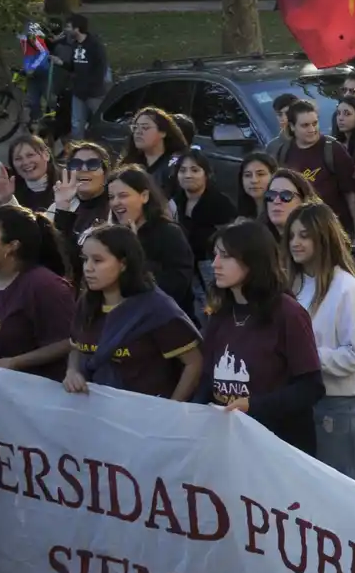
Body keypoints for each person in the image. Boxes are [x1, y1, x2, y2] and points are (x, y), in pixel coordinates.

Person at [198, 219, 325, 452]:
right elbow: (207, 378)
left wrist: (253, 406)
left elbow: (311, 387)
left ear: (252, 261)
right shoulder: (220, 314)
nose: (215, 264)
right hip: (230, 442)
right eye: (215, 255)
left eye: (225, 256)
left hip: (278, 445)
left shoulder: (288, 313)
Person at [62, 223, 202, 399]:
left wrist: (172, 409)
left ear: (123, 264)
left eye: (98, 260)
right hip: (95, 412)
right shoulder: (87, 303)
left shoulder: (156, 309)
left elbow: (193, 363)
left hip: (143, 416)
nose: (88, 268)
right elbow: (76, 348)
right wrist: (72, 371)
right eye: (85, 259)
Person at [284, 203, 355, 475]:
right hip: (299, 398)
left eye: (304, 235)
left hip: (334, 402)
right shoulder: (293, 282)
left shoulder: (347, 288)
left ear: (323, 237)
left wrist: (304, 356)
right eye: (291, 236)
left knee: (337, 484)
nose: (295, 243)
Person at [0, 204, 75, 376]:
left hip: (31, 394)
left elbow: (69, 341)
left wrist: (16, 362)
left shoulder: (45, 285)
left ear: (12, 246)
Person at [107, 166, 195, 315]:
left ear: (144, 196)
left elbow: (178, 284)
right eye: (111, 197)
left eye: (123, 195)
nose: (115, 202)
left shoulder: (169, 232)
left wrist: (136, 253)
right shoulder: (114, 235)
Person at [282, 98, 355, 235]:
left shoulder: (333, 149)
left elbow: (351, 195)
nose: (312, 129)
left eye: (315, 123)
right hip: (299, 230)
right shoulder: (284, 152)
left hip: (334, 229)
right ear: (292, 126)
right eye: (305, 125)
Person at [173, 151, 237, 311]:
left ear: (206, 174)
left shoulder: (220, 203)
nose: (188, 175)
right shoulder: (174, 202)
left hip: (213, 267)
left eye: (195, 170)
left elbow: (231, 241)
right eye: (182, 170)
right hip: (186, 269)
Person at [120, 106, 189, 198]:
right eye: (135, 127)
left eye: (145, 127)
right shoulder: (129, 164)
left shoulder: (175, 165)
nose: (138, 132)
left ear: (163, 132)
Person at [63, 14, 109, 140]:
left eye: (68, 27)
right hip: (78, 93)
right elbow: (73, 66)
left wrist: (91, 86)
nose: (66, 29)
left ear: (77, 28)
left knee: (100, 123)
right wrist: (61, 63)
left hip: (94, 94)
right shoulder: (75, 45)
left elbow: (101, 69)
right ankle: (78, 151)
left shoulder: (95, 46)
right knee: (77, 124)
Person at [0, 134, 58, 211]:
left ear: (46, 155)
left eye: (30, 155)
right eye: (18, 159)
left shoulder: (65, 185)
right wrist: (5, 200)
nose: (25, 162)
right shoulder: (9, 189)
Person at [261, 167, 318, 240]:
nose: (276, 201)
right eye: (271, 195)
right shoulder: (255, 240)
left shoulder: (318, 242)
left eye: (286, 195)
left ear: (304, 201)